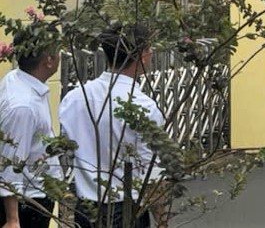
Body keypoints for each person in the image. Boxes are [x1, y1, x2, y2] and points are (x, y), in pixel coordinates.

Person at [59, 25, 165, 228]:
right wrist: (162, 220)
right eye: (149, 49)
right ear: (142, 55)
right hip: (127, 208)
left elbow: (66, 148)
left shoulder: (74, 98)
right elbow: (152, 176)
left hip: (85, 207)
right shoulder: (144, 107)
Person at [0, 27, 62, 228]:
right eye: (58, 51)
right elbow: (11, 162)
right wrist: (12, 219)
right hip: (27, 203)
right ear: (49, 61)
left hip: (33, 195)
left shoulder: (17, 78)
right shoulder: (24, 107)